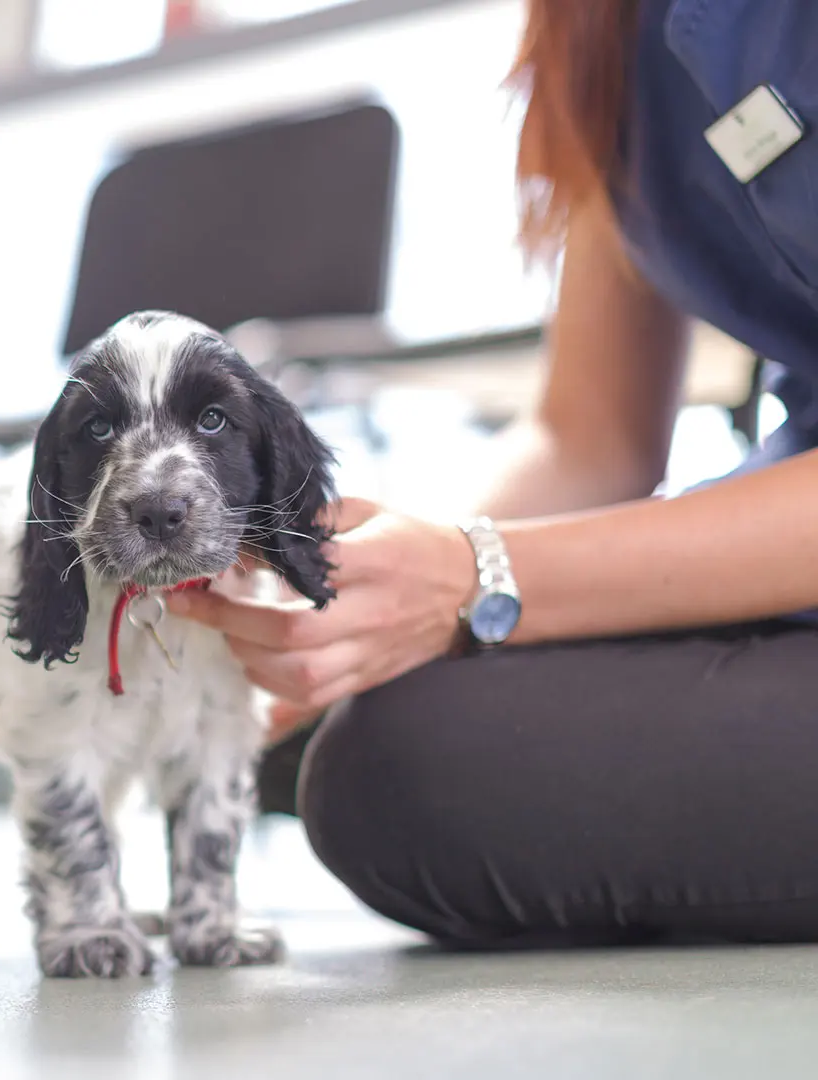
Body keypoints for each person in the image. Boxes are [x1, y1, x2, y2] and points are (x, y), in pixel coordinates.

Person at [181, 0, 818, 947]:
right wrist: (346, 579)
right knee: (342, 708)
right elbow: (588, 436)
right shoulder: (598, 26)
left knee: (408, 772)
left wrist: (474, 576)